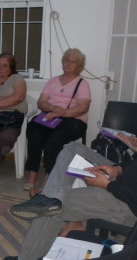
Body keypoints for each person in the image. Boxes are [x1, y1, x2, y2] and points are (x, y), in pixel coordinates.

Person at [3, 63, 137, 260]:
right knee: (74, 148)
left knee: (54, 208)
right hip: (129, 184)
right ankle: (51, 197)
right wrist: (118, 169)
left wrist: (108, 186)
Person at [23, 48, 91, 196]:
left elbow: (83, 107)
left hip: (73, 120)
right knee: (34, 133)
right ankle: (32, 175)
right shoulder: (53, 81)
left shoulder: (82, 84)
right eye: (67, 60)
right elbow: (41, 102)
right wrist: (53, 108)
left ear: (78, 66)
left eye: (73, 62)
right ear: (62, 61)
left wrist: (63, 112)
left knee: (54, 141)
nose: (68, 63)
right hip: (50, 116)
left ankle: (48, 179)